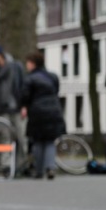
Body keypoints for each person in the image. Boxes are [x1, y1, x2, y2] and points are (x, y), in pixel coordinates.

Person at [21, 51, 65, 180]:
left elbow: (25, 95)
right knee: (50, 141)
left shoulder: (29, 78)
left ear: (33, 63)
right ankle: (50, 167)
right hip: (54, 110)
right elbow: (56, 91)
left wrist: (24, 106)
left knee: (38, 140)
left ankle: (39, 170)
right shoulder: (53, 76)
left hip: (37, 112)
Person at [0, 45, 27, 170]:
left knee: (20, 136)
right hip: (0, 109)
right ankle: (6, 165)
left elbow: (22, 86)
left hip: (15, 107)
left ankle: (21, 164)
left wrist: (24, 105)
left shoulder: (15, 67)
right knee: (4, 136)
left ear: (1, 55)